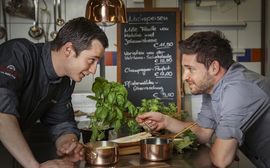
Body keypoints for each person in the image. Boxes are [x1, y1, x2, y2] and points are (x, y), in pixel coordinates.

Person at [136, 31, 270, 168]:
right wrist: (166, 121)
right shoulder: (213, 87)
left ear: (214, 67)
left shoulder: (238, 90)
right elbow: (203, 132)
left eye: (190, 69)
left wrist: (223, 147)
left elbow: (221, 159)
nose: (184, 77)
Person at [0, 17, 108, 168]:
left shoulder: (64, 81)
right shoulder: (18, 53)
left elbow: (61, 123)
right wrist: (35, 166)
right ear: (68, 50)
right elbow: (2, 115)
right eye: (91, 60)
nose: (93, 70)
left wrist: (68, 144)